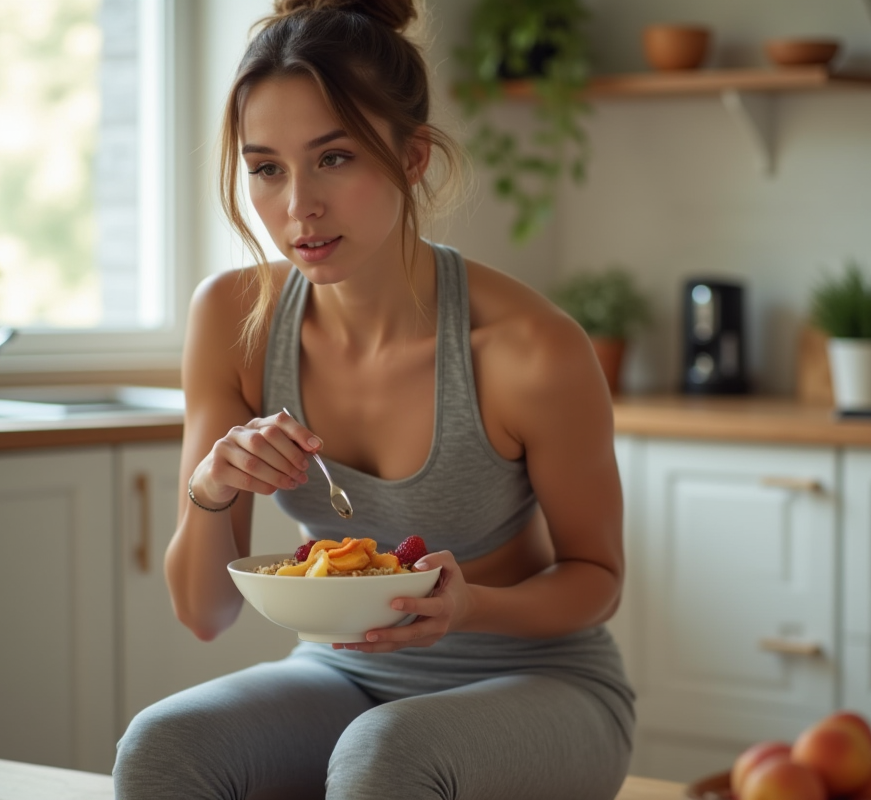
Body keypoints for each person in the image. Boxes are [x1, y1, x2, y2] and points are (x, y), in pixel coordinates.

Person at [112, 1, 634, 798]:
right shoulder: (233, 319)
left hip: (543, 684)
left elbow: (597, 578)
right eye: (266, 168)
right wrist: (211, 492)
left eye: (335, 158)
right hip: (340, 675)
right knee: (162, 747)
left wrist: (467, 610)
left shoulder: (529, 347)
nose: (298, 208)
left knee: (385, 754)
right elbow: (206, 614)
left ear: (412, 155)